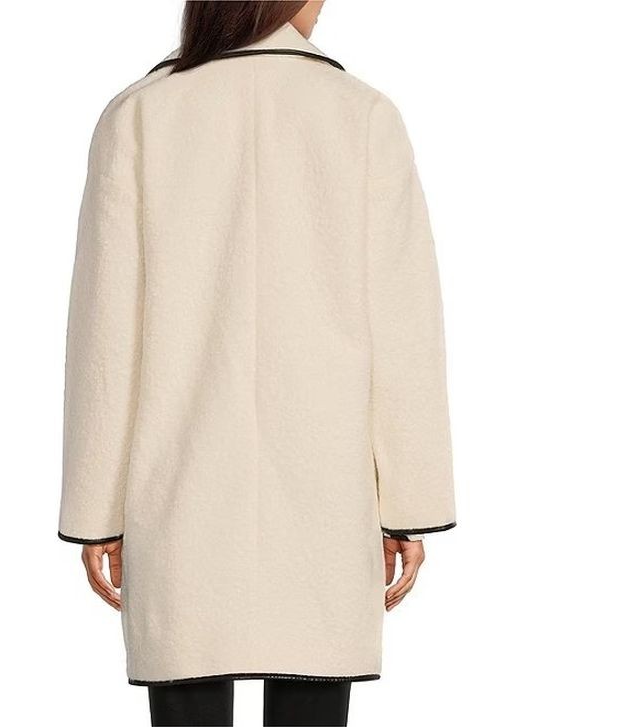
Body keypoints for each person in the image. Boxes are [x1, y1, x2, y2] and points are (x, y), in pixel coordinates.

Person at [57, 1, 457, 725]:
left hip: (176, 483)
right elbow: (404, 331)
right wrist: (407, 500)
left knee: (186, 678)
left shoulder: (140, 113)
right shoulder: (361, 115)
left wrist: (97, 507)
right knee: (313, 686)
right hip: (327, 488)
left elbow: (106, 336)